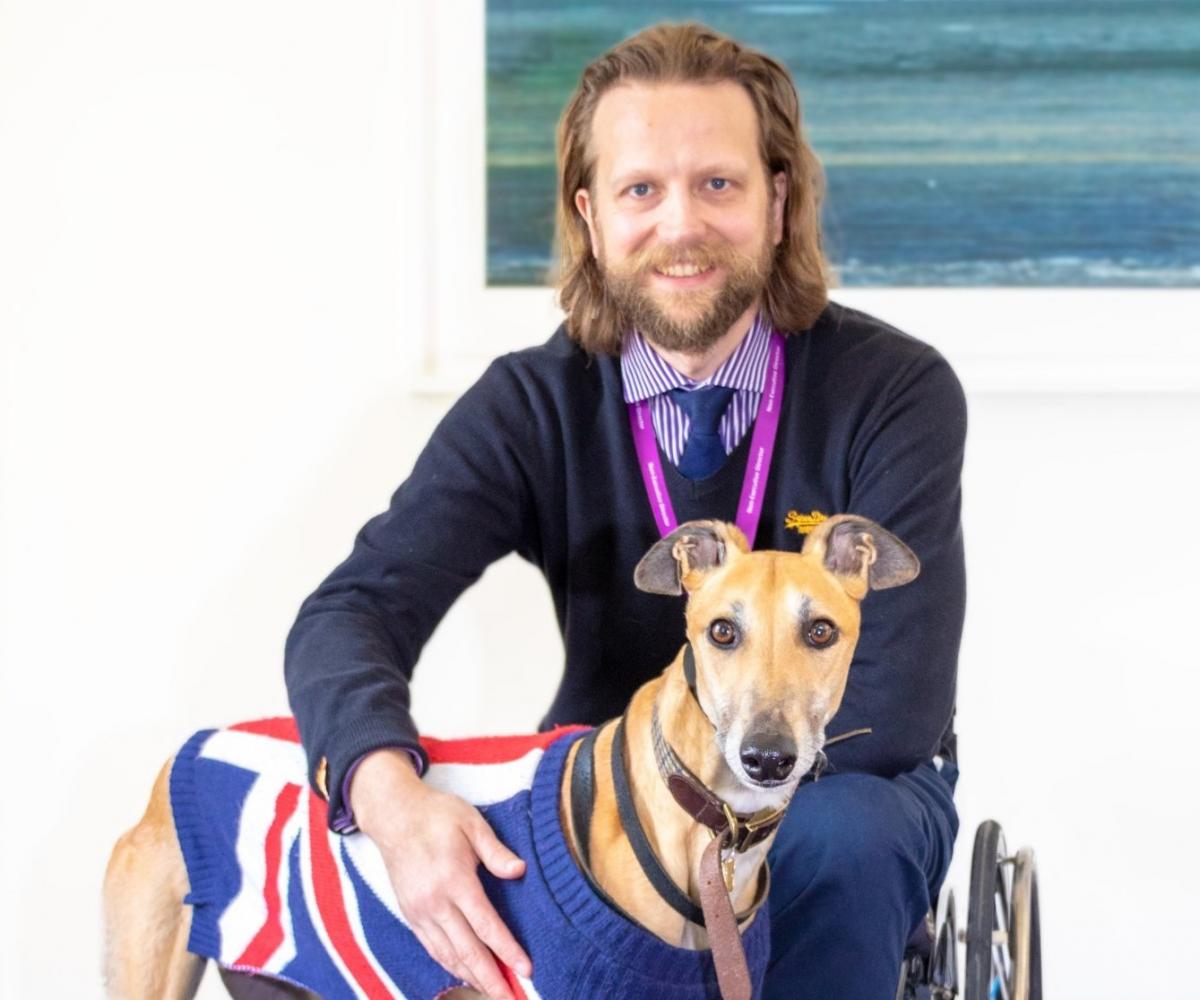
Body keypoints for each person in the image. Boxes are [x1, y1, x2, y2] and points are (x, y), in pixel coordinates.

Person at [285, 22, 965, 1000]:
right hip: (613, 775)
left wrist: (710, 809)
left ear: (778, 202)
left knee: (830, 839)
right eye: (642, 188)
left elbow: (895, 703)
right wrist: (389, 800)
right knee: (518, 851)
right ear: (591, 216)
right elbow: (351, 612)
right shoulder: (531, 406)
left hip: (842, 785)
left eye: (718, 184)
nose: (679, 223)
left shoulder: (893, 389)